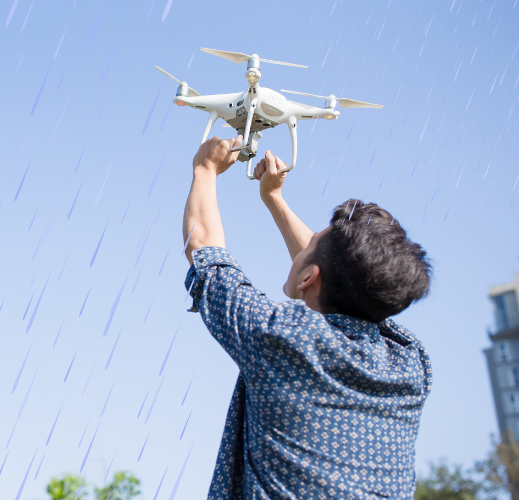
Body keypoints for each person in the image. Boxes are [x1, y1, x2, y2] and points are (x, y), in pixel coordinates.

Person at [181, 135, 433, 500]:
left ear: (309, 276)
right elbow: (351, 281)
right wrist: (274, 199)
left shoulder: (281, 340)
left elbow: (203, 250)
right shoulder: (411, 365)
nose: (307, 240)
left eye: (312, 239)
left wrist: (205, 169)